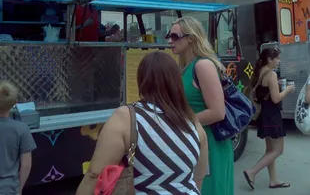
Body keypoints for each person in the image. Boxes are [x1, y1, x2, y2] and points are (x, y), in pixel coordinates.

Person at [76, 51, 208, 195]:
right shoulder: (193, 123)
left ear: (141, 81)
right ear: (177, 82)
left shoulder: (126, 117)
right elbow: (198, 178)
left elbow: (95, 174)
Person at [167, 16, 234, 195]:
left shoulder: (203, 65)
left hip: (210, 142)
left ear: (191, 38)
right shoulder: (185, 67)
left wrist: (180, 122)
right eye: (169, 35)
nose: (169, 40)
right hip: (194, 140)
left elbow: (218, 112)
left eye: (175, 36)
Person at [243, 48, 295, 190]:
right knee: (278, 150)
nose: (279, 61)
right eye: (277, 58)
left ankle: (273, 180)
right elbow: (276, 98)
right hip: (272, 115)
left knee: (270, 149)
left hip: (264, 115)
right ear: (269, 59)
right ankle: (252, 172)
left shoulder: (260, 71)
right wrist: (288, 90)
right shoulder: (271, 74)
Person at [0, 81, 37, 195]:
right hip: (9, 189)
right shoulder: (21, 129)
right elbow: (26, 164)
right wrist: (19, 190)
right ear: (15, 103)